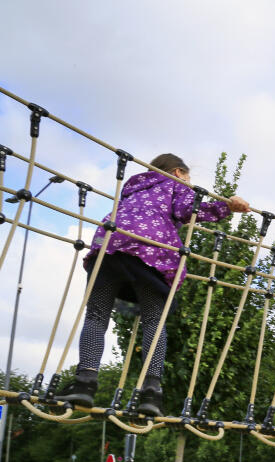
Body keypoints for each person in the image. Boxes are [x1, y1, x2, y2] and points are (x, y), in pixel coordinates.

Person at [55, 153, 250, 417]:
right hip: (152, 253)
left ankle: (85, 381)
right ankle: (151, 392)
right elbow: (186, 211)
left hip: (111, 244)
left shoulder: (132, 187)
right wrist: (227, 207)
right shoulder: (177, 184)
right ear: (179, 172)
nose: (190, 182)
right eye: (189, 177)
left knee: (97, 315)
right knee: (154, 323)